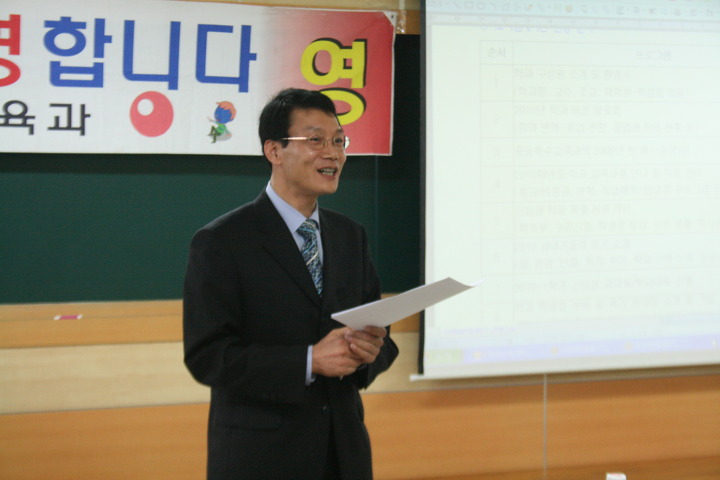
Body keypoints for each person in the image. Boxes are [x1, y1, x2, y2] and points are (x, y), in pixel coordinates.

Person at [183, 87, 399, 480]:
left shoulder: (350, 236)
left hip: (343, 453)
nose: (332, 154)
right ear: (274, 150)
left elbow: (382, 336)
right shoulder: (223, 240)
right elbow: (208, 356)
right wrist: (309, 361)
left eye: (339, 141)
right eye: (316, 140)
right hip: (261, 458)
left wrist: (371, 351)